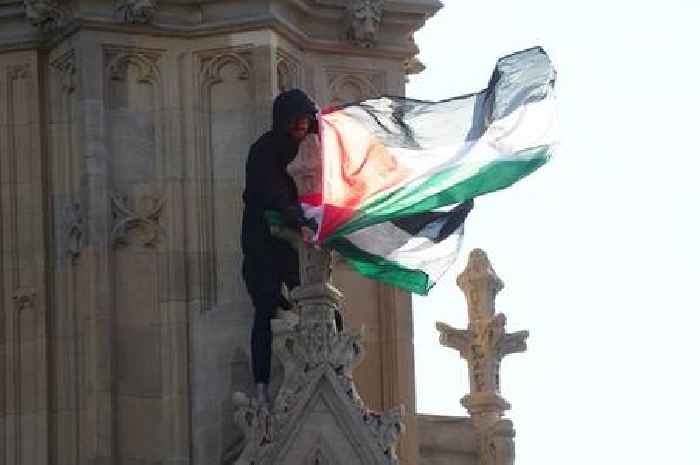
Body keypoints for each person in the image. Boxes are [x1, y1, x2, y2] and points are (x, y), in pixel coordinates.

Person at [240, 89, 317, 407]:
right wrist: (300, 219)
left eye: (305, 119)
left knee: (316, 298)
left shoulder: (308, 146)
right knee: (266, 303)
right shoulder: (265, 150)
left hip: (293, 238)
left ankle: (332, 373)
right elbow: (273, 194)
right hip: (263, 239)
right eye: (296, 119)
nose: (301, 125)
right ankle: (261, 387)